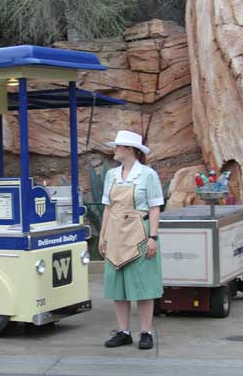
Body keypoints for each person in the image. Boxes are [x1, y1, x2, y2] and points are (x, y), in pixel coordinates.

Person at [99, 130, 164, 350]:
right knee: (119, 285)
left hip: (139, 233)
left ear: (129, 149)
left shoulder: (147, 174)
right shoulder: (112, 175)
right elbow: (108, 207)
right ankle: (123, 331)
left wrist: (153, 237)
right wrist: (103, 236)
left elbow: (155, 208)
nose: (115, 150)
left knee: (143, 284)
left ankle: (146, 332)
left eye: (118, 146)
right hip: (115, 233)